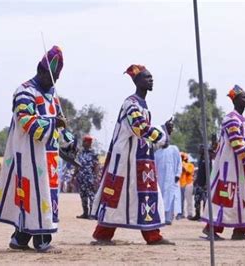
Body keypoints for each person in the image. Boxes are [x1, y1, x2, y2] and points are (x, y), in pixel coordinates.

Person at [0, 46, 74, 252]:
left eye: (58, 77)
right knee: (38, 195)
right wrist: (53, 124)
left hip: (50, 157)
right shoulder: (24, 91)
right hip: (29, 154)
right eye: (52, 76)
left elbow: (60, 124)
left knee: (42, 196)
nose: (54, 81)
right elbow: (27, 121)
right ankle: (42, 240)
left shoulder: (52, 95)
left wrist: (68, 140)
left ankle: (20, 239)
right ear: (41, 70)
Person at [91, 64, 174, 246]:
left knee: (147, 195)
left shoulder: (143, 105)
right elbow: (139, 127)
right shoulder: (130, 103)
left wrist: (163, 132)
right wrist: (163, 132)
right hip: (125, 161)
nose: (151, 80)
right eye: (147, 77)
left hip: (142, 161)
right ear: (137, 81)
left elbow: (144, 132)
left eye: (152, 77)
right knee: (116, 195)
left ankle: (153, 235)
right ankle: (102, 234)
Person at [201, 85, 245, 241]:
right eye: (244, 97)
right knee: (224, 196)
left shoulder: (242, 120)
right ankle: (212, 229)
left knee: (243, 196)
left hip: (241, 167)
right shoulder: (231, 119)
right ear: (236, 100)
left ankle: (240, 231)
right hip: (228, 167)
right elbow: (237, 144)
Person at [154, 143, 182, 225]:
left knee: (171, 198)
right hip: (160, 180)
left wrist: (178, 174)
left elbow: (179, 162)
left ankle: (168, 218)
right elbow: (155, 166)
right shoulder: (157, 153)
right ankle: (161, 218)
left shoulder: (174, 149)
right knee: (161, 198)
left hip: (172, 179)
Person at [74, 135, 99, 219]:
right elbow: (77, 165)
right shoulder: (80, 153)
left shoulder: (93, 153)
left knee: (91, 196)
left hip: (90, 178)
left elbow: (96, 166)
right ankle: (85, 213)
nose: (83, 143)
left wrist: (95, 178)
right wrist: (73, 176)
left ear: (88, 143)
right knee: (83, 196)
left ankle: (92, 214)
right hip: (81, 178)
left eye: (84, 141)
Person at [189, 144, 211, 221]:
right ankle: (197, 215)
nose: (199, 150)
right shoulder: (201, 158)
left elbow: (208, 172)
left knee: (205, 201)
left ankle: (205, 216)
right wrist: (196, 180)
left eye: (201, 149)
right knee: (197, 200)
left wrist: (206, 183)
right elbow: (200, 171)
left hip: (205, 183)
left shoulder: (207, 158)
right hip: (199, 182)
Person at [180, 152, 195, 219]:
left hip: (188, 184)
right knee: (181, 200)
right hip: (181, 184)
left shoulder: (190, 165)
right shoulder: (179, 164)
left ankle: (190, 213)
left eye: (182, 157)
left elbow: (188, 172)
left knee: (189, 200)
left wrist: (183, 165)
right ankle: (181, 213)